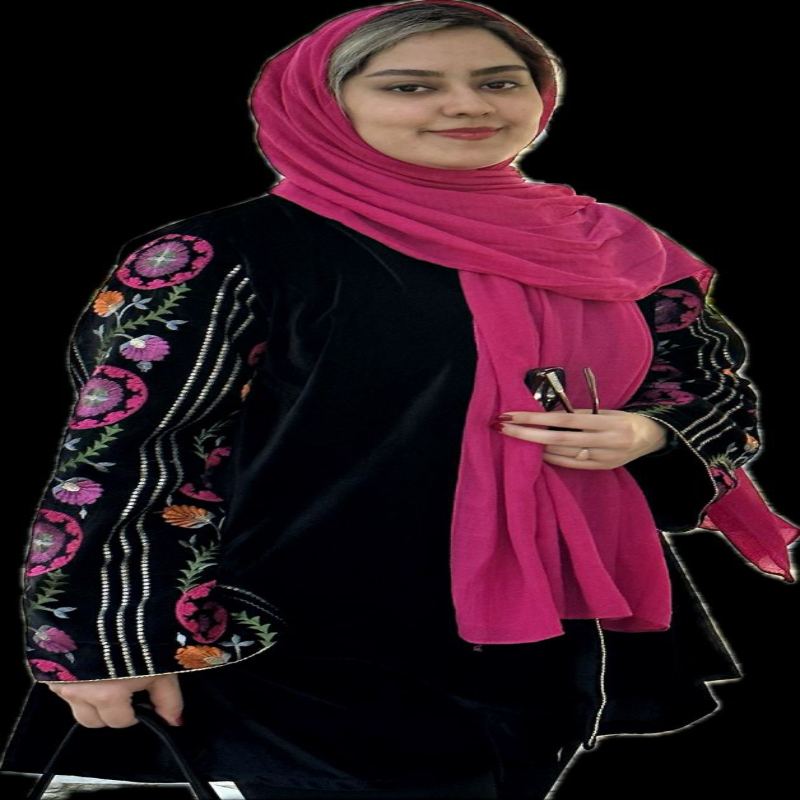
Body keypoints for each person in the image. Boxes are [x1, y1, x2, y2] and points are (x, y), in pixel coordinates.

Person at [1, 2, 796, 799]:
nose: (467, 105)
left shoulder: (610, 247)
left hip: (547, 634)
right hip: (298, 640)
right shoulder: (230, 254)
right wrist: (102, 640)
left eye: (500, 82)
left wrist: (651, 434)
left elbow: (709, 388)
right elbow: (129, 450)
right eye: (411, 86)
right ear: (324, 104)